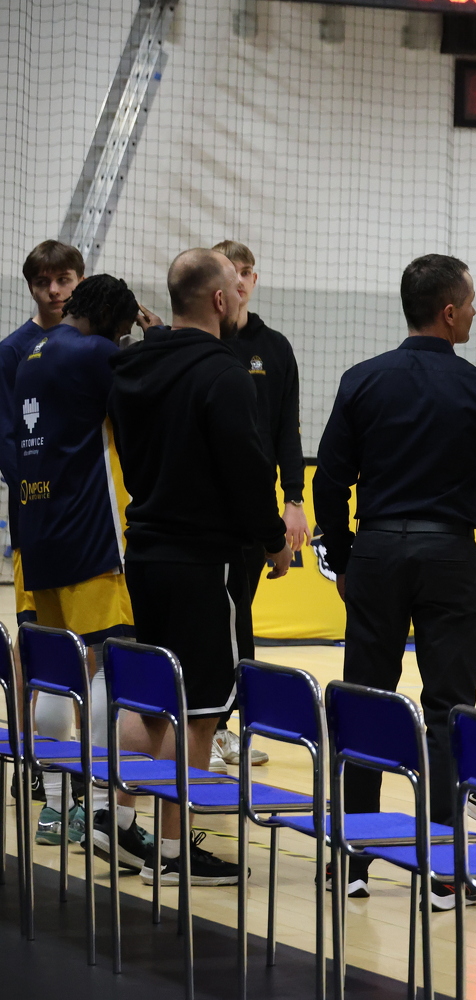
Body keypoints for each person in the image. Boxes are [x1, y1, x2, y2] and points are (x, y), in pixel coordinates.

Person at [314, 254, 476, 903]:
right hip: (449, 557)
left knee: (366, 700)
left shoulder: (361, 380)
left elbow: (329, 482)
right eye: (472, 303)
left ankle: (353, 861)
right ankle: (444, 871)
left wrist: (344, 557)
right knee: (447, 710)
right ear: (450, 313)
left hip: (376, 554)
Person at [109, 248, 294, 886]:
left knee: (152, 699)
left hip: (144, 551)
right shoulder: (224, 374)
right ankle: (171, 853)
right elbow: (247, 471)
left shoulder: (131, 366)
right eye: (235, 290)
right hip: (202, 561)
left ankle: (119, 822)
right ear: (219, 299)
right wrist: (273, 539)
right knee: (200, 711)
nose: (242, 297)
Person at [13, 274, 149, 855]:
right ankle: (96, 809)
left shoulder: (29, 355)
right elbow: (148, 390)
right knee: (105, 664)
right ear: (110, 323)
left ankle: (53, 805)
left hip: (36, 529)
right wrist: (154, 335)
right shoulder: (96, 353)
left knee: (54, 668)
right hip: (90, 532)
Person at [208, 240, 309, 772]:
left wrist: (293, 499)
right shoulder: (200, 342)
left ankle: (228, 727)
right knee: (212, 619)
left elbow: (287, 431)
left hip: (254, 510)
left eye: (247, 271)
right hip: (204, 509)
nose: (241, 280)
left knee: (238, 618)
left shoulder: (275, 348)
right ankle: (206, 724)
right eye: (232, 271)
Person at [3, 241, 84, 635]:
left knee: (93, 639)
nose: (54, 290)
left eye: (63, 280)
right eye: (42, 282)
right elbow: (7, 440)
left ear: (81, 281)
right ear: (31, 288)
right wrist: (43, 494)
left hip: (85, 519)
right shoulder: (12, 352)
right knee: (40, 637)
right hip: (36, 518)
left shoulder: (94, 347)